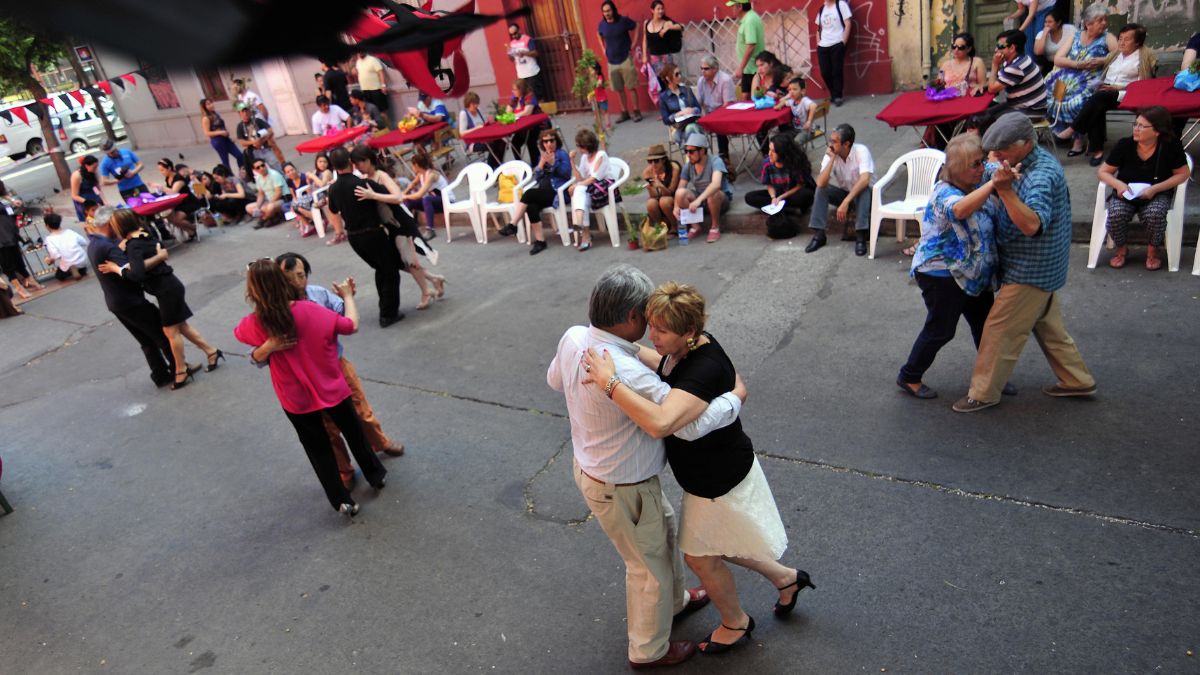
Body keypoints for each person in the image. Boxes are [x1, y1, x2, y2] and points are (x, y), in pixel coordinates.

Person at [579, 280, 811, 657]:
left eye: (661, 330)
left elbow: (659, 423)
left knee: (700, 556)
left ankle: (735, 623)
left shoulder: (703, 368)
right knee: (721, 543)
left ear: (690, 332)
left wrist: (610, 383)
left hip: (717, 477)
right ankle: (787, 579)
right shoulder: (685, 348)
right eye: (650, 324)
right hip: (710, 473)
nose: (652, 335)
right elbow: (663, 365)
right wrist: (619, 346)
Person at [548, 264, 753, 669]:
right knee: (647, 569)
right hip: (624, 485)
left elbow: (556, 381)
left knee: (662, 539)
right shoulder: (627, 375)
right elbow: (684, 419)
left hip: (598, 470)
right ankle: (648, 650)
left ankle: (674, 604)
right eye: (649, 316)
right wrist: (735, 395)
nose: (654, 325)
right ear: (630, 318)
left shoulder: (575, 338)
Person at [953, 113, 1096, 413]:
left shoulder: (1043, 175)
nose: (993, 158)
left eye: (1000, 152)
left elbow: (1032, 226)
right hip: (1039, 266)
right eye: (991, 152)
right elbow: (990, 168)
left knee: (998, 330)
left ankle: (983, 393)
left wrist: (1004, 191)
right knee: (1048, 326)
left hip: (1032, 267)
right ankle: (1077, 380)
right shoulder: (1014, 159)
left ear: (1025, 144)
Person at [234, 260, 386, 517]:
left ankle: (341, 501)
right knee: (353, 432)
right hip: (331, 387)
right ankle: (375, 475)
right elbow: (350, 326)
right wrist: (348, 297)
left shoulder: (255, 324)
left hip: (295, 398)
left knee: (317, 448)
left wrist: (268, 346)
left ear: (253, 292)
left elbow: (240, 335)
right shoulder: (310, 310)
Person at [897, 133, 1003, 399]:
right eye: (975, 165)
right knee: (941, 330)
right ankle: (909, 376)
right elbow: (960, 211)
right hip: (941, 273)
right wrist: (992, 186)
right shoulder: (945, 192)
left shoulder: (978, 176)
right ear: (957, 169)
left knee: (986, 328)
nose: (982, 169)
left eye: (981, 163)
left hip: (972, 272)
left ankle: (991, 380)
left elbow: (997, 166)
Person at [99, 209, 223, 390]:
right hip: (170, 286)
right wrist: (155, 256)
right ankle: (211, 351)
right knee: (182, 327)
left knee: (171, 333)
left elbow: (136, 274)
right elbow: (154, 253)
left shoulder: (133, 244)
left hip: (165, 290)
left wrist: (116, 269)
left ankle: (180, 371)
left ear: (121, 226)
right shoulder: (143, 235)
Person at [85, 205, 175, 387]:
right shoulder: (107, 247)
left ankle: (160, 374)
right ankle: (178, 369)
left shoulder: (95, 243)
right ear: (111, 223)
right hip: (130, 301)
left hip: (117, 302)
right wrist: (159, 257)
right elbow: (135, 270)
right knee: (161, 335)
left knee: (146, 340)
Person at [1097, 106, 1191, 271]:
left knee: (1155, 214)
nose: (1136, 129)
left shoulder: (1170, 146)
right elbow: (1103, 172)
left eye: (1142, 126)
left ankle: (1152, 251)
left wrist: (1156, 188)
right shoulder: (1125, 145)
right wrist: (1119, 184)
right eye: (1136, 124)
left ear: (1157, 131)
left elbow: (1183, 174)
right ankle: (1121, 248)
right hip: (1127, 192)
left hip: (1157, 193)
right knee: (1116, 212)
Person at [325, 147, 406, 327]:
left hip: (355, 238)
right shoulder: (361, 184)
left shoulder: (333, 188)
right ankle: (388, 314)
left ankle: (385, 309)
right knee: (390, 271)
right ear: (350, 163)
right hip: (373, 234)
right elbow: (393, 196)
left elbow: (333, 210)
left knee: (381, 269)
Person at [1057, 23, 1155, 166]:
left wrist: (1117, 87)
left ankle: (1073, 129)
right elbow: (1104, 70)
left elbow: (1143, 84)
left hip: (1126, 93)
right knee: (1096, 103)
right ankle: (1097, 150)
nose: (1121, 42)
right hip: (1106, 91)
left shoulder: (1144, 56)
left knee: (1099, 98)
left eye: (1126, 39)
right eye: (1120, 38)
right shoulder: (1116, 55)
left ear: (1137, 42)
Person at [1043, 4, 1113, 136]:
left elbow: (1119, 56)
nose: (1104, 23)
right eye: (1100, 20)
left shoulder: (1107, 38)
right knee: (1049, 95)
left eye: (1105, 19)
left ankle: (1077, 138)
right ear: (1088, 23)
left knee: (1077, 101)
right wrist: (1077, 64)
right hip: (1068, 75)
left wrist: (1102, 61)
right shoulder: (1075, 36)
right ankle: (1058, 130)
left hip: (1090, 79)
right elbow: (1058, 59)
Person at [807, 123, 873, 255]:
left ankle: (861, 235)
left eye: (834, 141)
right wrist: (832, 159)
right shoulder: (831, 153)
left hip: (866, 196)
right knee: (821, 189)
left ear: (846, 144)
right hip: (846, 194)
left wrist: (845, 202)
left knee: (864, 189)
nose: (830, 144)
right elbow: (820, 182)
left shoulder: (861, 151)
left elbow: (865, 179)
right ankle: (819, 234)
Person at [509, 129, 572, 255]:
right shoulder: (542, 156)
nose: (548, 144)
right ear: (542, 143)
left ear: (556, 141)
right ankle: (540, 241)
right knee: (531, 206)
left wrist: (553, 163)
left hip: (557, 193)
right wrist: (542, 164)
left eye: (551, 140)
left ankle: (513, 224)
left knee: (529, 194)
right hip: (544, 193)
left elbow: (566, 174)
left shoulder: (562, 154)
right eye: (545, 141)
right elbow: (537, 178)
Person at [978, 30, 1047, 129]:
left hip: (1031, 112)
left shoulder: (1016, 67)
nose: (996, 49)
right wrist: (982, 85)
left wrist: (995, 65)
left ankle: (995, 143)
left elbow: (992, 88)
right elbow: (999, 80)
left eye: (1000, 46)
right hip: (1021, 105)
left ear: (1012, 48)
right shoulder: (1018, 59)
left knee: (985, 119)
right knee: (985, 113)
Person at [673, 133, 732, 243]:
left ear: (702, 151)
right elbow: (680, 186)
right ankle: (695, 226)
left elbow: (716, 184)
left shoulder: (715, 161)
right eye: (686, 151)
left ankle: (715, 227)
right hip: (701, 199)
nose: (688, 155)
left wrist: (698, 200)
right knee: (680, 193)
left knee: (712, 193)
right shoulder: (689, 165)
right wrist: (676, 206)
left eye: (691, 151)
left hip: (720, 199)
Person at [743, 132, 815, 219]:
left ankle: (784, 208)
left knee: (806, 195)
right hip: (778, 193)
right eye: (769, 150)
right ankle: (789, 210)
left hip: (792, 193)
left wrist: (781, 197)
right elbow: (769, 184)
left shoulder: (794, 163)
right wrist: (773, 197)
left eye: (773, 151)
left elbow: (800, 185)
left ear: (782, 153)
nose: (770, 154)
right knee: (750, 197)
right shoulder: (767, 163)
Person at [597, 0, 643, 124]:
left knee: (631, 86)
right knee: (619, 89)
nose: (606, 13)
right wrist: (603, 49)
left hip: (625, 58)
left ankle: (636, 111)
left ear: (613, 10)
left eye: (608, 11)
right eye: (604, 11)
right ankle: (624, 112)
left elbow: (637, 25)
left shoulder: (623, 21)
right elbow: (599, 34)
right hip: (611, 61)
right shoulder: (602, 25)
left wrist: (633, 43)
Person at [567, 129, 613, 252]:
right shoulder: (584, 157)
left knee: (579, 190)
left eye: (579, 146)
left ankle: (582, 229)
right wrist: (572, 161)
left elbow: (593, 179)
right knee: (580, 193)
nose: (577, 148)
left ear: (587, 146)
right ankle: (583, 229)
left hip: (603, 190)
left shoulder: (601, 156)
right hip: (590, 191)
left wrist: (577, 186)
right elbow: (580, 178)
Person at [231, 78, 285, 165]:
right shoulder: (240, 97)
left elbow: (263, 109)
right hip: (251, 126)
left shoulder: (252, 96)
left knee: (271, 144)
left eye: (236, 87)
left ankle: (282, 162)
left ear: (241, 86)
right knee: (258, 145)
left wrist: (264, 123)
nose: (234, 90)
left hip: (260, 123)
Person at [695, 56, 736, 165]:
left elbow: (728, 105)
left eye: (706, 69)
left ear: (715, 69)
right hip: (708, 116)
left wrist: (713, 117)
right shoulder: (701, 81)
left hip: (724, 115)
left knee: (718, 125)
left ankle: (724, 158)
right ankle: (700, 159)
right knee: (693, 127)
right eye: (701, 68)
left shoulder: (725, 80)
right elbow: (698, 102)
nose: (703, 71)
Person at [150, 158, 203, 241]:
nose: (161, 173)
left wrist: (161, 187)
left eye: (162, 170)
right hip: (178, 203)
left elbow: (174, 192)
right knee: (168, 216)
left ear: (169, 168)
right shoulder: (168, 178)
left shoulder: (178, 178)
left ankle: (193, 228)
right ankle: (190, 231)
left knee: (177, 219)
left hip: (188, 202)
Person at [815, 0, 852, 106]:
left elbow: (848, 23)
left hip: (837, 42)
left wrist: (843, 42)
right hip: (823, 45)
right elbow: (818, 28)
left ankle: (837, 96)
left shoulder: (841, 5)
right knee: (825, 72)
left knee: (837, 70)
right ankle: (833, 93)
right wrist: (818, 44)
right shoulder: (822, 9)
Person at [656, 63, 700, 148]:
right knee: (691, 130)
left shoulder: (687, 90)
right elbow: (665, 120)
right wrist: (679, 114)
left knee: (690, 128)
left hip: (692, 122)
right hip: (677, 128)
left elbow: (698, 108)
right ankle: (696, 153)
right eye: (676, 74)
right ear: (668, 78)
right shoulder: (663, 97)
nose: (679, 76)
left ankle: (691, 154)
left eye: (680, 73)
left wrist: (692, 110)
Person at [727, 0, 765, 99]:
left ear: (740, 7)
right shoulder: (750, 18)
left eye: (733, 6)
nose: (732, 9)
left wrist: (740, 67)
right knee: (745, 99)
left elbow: (751, 44)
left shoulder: (749, 20)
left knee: (754, 99)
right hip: (748, 68)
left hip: (752, 68)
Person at [642, 144, 682, 236]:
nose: (653, 164)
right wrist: (651, 188)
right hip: (660, 197)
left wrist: (661, 186)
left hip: (674, 197)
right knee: (650, 203)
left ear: (663, 160)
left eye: (656, 161)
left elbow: (671, 191)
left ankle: (675, 226)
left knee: (664, 201)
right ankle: (661, 227)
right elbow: (654, 196)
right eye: (650, 161)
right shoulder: (647, 172)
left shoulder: (674, 168)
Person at [42, 213, 90, 281]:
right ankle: (80, 270)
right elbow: (84, 242)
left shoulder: (49, 239)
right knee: (79, 265)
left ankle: (71, 269)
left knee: (59, 276)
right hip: (81, 260)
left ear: (47, 226)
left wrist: (49, 260)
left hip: (68, 263)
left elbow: (55, 255)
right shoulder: (69, 232)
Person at [200, 98, 243, 171]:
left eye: (211, 103)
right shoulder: (206, 118)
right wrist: (220, 132)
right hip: (217, 141)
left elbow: (222, 126)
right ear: (204, 107)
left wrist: (227, 135)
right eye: (208, 104)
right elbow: (207, 133)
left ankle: (243, 172)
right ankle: (230, 178)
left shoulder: (216, 114)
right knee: (225, 161)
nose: (211, 105)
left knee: (239, 155)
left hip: (226, 139)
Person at [642, 1, 684, 76]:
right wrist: (644, 55)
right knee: (657, 82)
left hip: (666, 57)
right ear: (652, 10)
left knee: (668, 79)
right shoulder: (646, 23)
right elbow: (644, 40)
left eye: (662, 9)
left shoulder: (667, 22)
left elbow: (681, 26)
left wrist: (668, 28)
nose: (661, 11)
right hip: (653, 58)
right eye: (658, 9)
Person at [246, 158, 290, 228]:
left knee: (270, 207)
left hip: (281, 200)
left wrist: (268, 204)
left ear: (265, 165)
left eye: (262, 165)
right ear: (255, 170)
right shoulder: (258, 178)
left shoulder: (274, 175)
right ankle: (272, 217)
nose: (261, 168)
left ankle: (263, 219)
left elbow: (279, 193)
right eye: (258, 167)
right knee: (248, 207)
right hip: (269, 201)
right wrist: (258, 207)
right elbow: (261, 194)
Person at [507, 79, 545, 162]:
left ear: (521, 89)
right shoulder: (515, 98)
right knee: (514, 142)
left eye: (515, 89)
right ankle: (519, 163)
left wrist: (513, 116)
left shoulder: (529, 96)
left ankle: (536, 163)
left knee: (530, 140)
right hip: (522, 128)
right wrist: (510, 115)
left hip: (537, 125)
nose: (513, 91)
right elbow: (508, 111)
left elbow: (527, 112)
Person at [507, 23, 545, 102]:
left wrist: (524, 53)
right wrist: (509, 53)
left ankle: (542, 112)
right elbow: (511, 59)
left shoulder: (528, 39)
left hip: (532, 71)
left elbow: (535, 53)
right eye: (511, 35)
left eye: (515, 33)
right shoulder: (512, 43)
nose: (514, 36)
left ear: (519, 30)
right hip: (521, 74)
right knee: (525, 95)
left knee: (537, 94)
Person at [236, 103, 279, 172]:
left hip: (265, 149)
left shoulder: (257, 121)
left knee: (276, 167)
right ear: (239, 113)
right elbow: (242, 142)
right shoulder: (240, 126)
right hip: (254, 152)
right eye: (243, 111)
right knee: (261, 171)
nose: (245, 113)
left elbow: (270, 131)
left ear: (249, 111)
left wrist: (262, 140)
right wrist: (254, 142)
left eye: (246, 111)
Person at [776, 77, 817, 145]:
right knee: (781, 139)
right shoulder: (792, 101)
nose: (791, 91)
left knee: (796, 142)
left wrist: (809, 121)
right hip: (796, 129)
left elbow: (813, 105)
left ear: (802, 91)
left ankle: (798, 155)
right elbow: (782, 101)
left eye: (794, 89)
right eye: (789, 89)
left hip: (807, 130)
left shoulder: (804, 100)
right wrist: (779, 106)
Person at [1033, 9, 1074, 75]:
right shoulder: (1041, 34)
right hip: (1050, 64)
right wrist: (1044, 35)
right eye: (1045, 22)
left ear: (1058, 22)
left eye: (1050, 22)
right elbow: (1038, 52)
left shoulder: (1070, 29)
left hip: (1067, 62)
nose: (1047, 25)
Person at [282, 162, 316, 238]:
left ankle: (312, 221)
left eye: (292, 170)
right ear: (286, 174)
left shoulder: (304, 177)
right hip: (300, 201)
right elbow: (293, 195)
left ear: (295, 169)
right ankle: (307, 224)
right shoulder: (289, 181)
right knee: (289, 206)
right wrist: (295, 202)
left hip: (309, 199)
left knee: (296, 207)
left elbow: (310, 192)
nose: (291, 173)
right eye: (288, 172)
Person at [353, 51, 390, 118]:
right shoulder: (358, 62)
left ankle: (388, 127)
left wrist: (383, 85)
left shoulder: (372, 60)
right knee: (370, 111)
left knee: (381, 110)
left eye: (361, 51)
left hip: (376, 89)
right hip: (365, 90)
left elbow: (380, 72)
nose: (360, 53)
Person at [70, 155, 105, 222]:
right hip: (84, 203)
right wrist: (86, 201)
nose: (96, 169)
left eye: (96, 167)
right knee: (91, 223)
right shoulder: (77, 176)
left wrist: (104, 201)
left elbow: (96, 188)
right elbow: (74, 195)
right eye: (94, 167)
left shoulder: (94, 173)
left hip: (95, 200)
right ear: (86, 166)